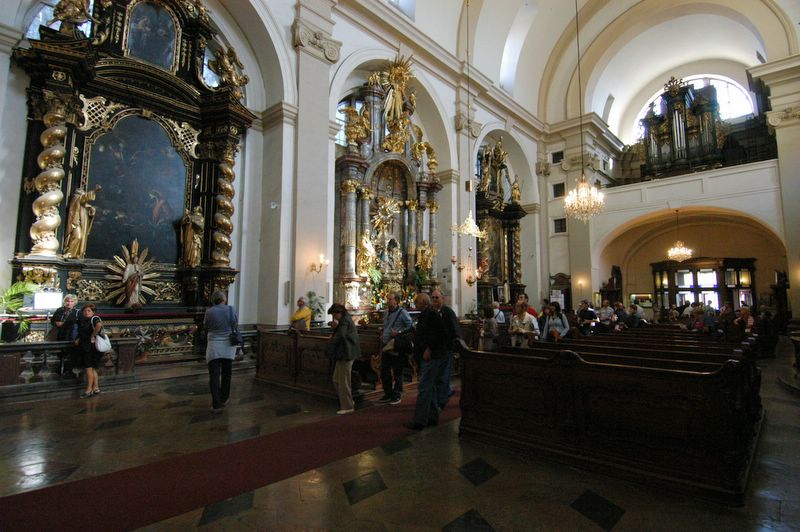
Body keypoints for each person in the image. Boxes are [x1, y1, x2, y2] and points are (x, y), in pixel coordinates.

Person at [403, 293, 446, 431]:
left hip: (431, 357)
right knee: (430, 388)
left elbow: (439, 334)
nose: (415, 305)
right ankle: (432, 417)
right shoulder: (426, 314)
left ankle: (419, 421)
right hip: (425, 355)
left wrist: (429, 349)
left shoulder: (432, 314)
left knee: (424, 388)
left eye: (417, 303)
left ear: (423, 302)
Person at [204, 290, 238, 413]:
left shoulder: (209, 311)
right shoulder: (231, 309)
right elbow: (235, 323)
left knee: (214, 375)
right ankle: (224, 398)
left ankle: (216, 404)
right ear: (224, 299)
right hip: (228, 345)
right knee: (226, 373)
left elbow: (206, 326)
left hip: (214, 345)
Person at [378, 291, 413, 405]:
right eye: (387, 299)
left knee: (397, 371)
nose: (388, 301)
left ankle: (397, 394)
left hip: (396, 345)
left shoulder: (402, 312)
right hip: (386, 345)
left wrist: (399, 332)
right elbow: (386, 326)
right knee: (384, 371)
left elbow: (410, 326)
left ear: (396, 301)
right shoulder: (386, 312)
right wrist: (383, 333)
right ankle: (388, 393)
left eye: (390, 299)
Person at [327, 303, 361, 414]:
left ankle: (347, 407)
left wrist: (332, 338)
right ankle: (349, 401)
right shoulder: (343, 320)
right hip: (343, 354)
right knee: (336, 379)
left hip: (347, 353)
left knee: (343, 381)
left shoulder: (345, 320)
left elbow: (341, 335)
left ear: (339, 313)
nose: (334, 317)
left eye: (334, 315)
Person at [431, 289, 461, 410]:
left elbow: (455, 330)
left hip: (445, 348)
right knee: (437, 376)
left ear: (443, 299)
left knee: (443, 376)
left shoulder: (448, 312)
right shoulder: (432, 312)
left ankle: (441, 401)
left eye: (436, 298)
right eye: (432, 298)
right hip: (435, 349)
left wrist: (454, 346)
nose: (434, 300)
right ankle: (443, 395)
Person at [63, 185, 101, 259]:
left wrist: (91, 211)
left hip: (82, 223)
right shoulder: (76, 197)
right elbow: (84, 198)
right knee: (78, 237)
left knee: (81, 237)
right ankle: (69, 253)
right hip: (75, 222)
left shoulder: (83, 205)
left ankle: (76, 254)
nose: (83, 193)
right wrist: (94, 190)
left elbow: (86, 206)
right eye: (82, 192)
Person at [74, 304, 104, 398]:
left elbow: (99, 325)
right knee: (93, 368)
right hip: (88, 347)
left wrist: (92, 335)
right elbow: (82, 332)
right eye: (85, 311)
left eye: (89, 311)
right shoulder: (84, 321)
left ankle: (88, 390)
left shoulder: (94, 319)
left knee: (88, 368)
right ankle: (96, 387)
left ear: (93, 312)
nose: (86, 312)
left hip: (90, 348)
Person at [50, 294, 80, 375]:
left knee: (69, 353)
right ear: (64, 302)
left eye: (71, 301)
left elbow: (76, 323)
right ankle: (60, 368)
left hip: (69, 335)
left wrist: (63, 323)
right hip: (59, 334)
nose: (69, 303)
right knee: (60, 353)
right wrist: (56, 323)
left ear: (74, 303)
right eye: (67, 301)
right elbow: (52, 320)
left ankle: (68, 369)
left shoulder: (77, 312)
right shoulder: (59, 310)